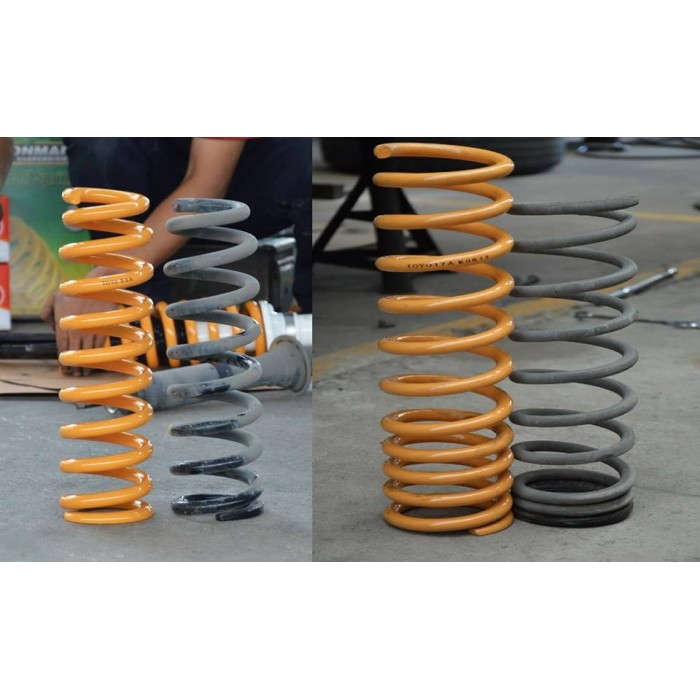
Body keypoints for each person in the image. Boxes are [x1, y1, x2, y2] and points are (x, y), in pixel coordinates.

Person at [40, 137, 311, 373]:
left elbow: (206, 184)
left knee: (298, 151)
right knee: (100, 140)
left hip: (240, 187)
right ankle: (135, 312)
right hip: (150, 178)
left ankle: (309, 321)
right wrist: (105, 280)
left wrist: (105, 280)